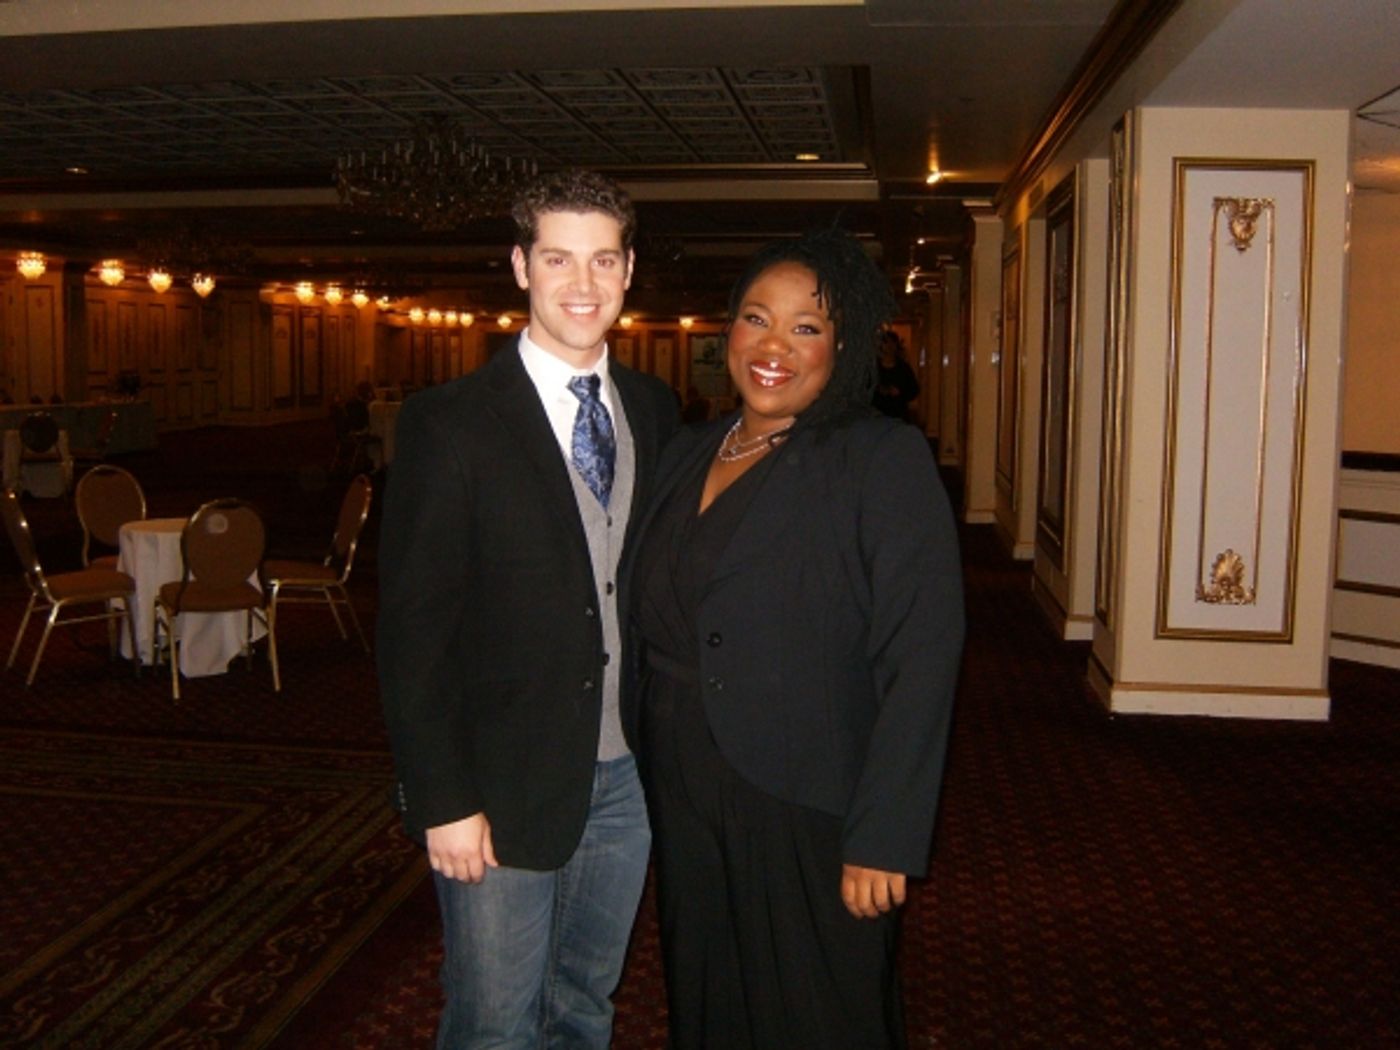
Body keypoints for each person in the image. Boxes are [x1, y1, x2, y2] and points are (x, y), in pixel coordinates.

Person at [624, 227, 964, 1049]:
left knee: (819, 1003)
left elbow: (922, 653)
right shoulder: (686, 448)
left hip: (808, 790)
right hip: (681, 779)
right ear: (727, 332)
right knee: (707, 990)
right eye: (754, 319)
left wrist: (885, 832)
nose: (774, 346)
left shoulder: (878, 457)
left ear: (841, 347)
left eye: (805, 328)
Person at [377, 168, 680, 1049]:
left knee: (585, 1004)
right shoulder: (451, 423)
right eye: (558, 259)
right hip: (498, 784)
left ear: (628, 271)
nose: (581, 285)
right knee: (495, 1024)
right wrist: (441, 797)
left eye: (602, 260)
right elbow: (413, 633)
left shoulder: (655, 411)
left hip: (629, 777)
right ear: (520, 267)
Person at [872, 328, 920, 421]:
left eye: (892, 343)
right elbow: (864, 389)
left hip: (898, 414)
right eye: (886, 343)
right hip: (876, 415)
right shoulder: (873, 368)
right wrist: (879, 390)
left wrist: (900, 393)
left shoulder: (903, 368)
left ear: (896, 345)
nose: (889, 346)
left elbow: (914, 390)